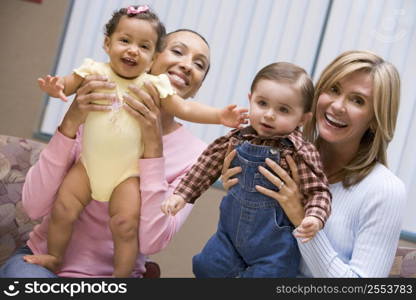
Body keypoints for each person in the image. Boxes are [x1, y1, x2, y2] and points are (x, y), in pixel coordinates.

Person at [27, 6, 246, 278]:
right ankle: (54, 256)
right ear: (154, 61)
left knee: (126, 224)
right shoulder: (95, 96)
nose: (188, 64)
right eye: (177, 51)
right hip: (79, 187)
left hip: (126, 179)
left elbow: (153, 241)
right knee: (57, 218)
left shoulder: (197, 154)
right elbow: (33, 206)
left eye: (199, 64)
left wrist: (219, 116)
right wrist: (68, 118)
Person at [221, 50, 406, 277]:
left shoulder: (384, 190)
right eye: (334, 89)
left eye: (357, 100)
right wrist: (238, 193)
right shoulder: (280, 156)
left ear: (376, 120)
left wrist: (302, 219)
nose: (338, 106)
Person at [162, 62, 332, 278]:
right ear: (250, 99)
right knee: (205, 266)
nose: (269, 115)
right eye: (262, 103)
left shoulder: (300, 153)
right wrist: (181, 194)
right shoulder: (236, 139)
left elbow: (318, 191)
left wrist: (315, 217)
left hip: (273, 246)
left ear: (303, 119)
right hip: (229, 237)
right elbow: (205, 166)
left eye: (283, 110)